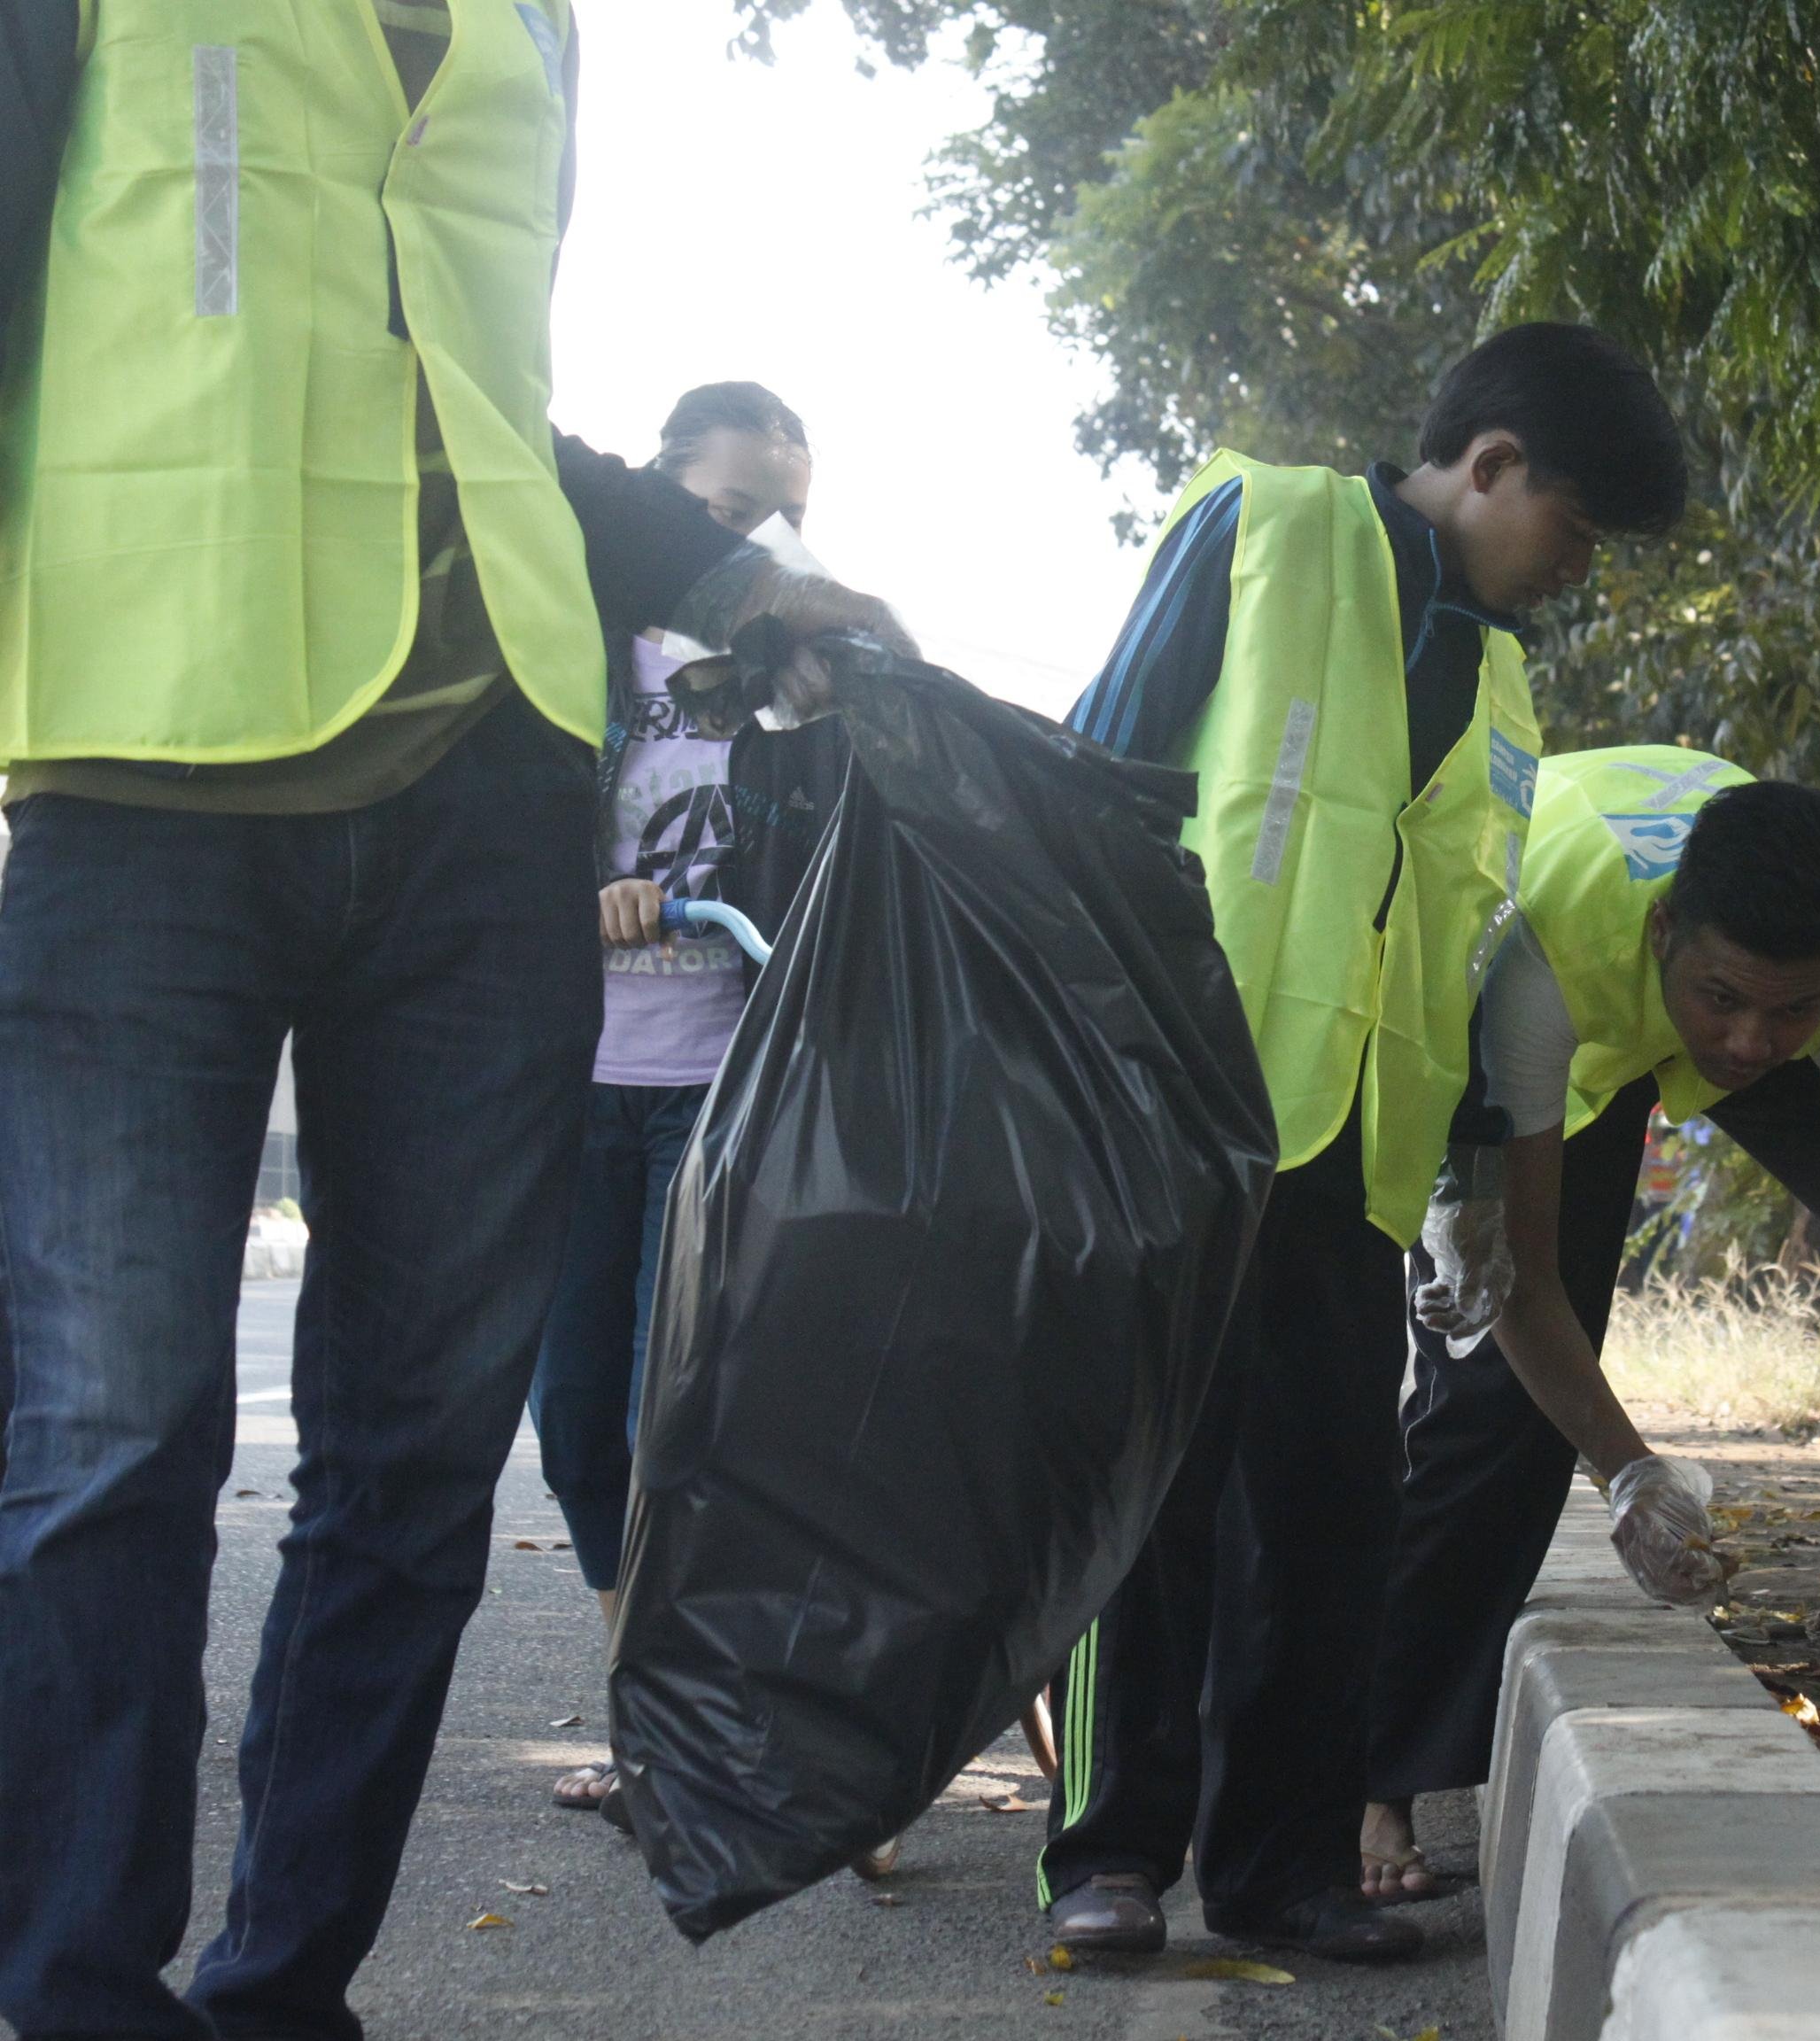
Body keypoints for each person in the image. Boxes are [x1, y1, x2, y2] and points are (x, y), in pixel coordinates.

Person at [0, 10, 907, 2038]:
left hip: (492, 810)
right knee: (103, 1438)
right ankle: (72, 1995)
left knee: (415, 1465)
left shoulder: (526, 30)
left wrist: (747, 578)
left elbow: (485, 410)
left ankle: (279, 1993)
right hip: (142, 787)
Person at [1037, 327, 1687, 1962]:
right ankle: (1111, 1861)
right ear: (1493, 465)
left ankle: (1286, 1872)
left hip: (1358, 1158)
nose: (1579, 569)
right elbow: (1100, 771)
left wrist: (1474, 1169)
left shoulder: (1503, 677)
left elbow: (1459, 928)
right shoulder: (1264, 525)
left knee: (1332, 1511)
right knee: (1157, 1496)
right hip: (1189, 1103)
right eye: (1580, 529)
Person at [1365, 749, 1820, 1900]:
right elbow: (1524, 1273)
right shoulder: (1545, 950)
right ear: (1671, 930)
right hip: (1561, 990)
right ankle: (1371, 1773)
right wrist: (1632, 1472)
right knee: (1493, 1388)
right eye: (1725, 1005)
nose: (1747, 1046)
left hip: (1699, 960)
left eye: (1793, 1010)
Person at [531, 379, 853, 1816]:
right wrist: (573, 891)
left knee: (689, 1417)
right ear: (661, 499)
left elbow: (843, 858)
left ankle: (688, 1728)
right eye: (726, 517)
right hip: (566, 1077)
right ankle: (636, 1703)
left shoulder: (800, 671)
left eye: (778, 521)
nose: (750, 550)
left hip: (721, 1088)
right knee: (575, 1414)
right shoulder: (568, 629)